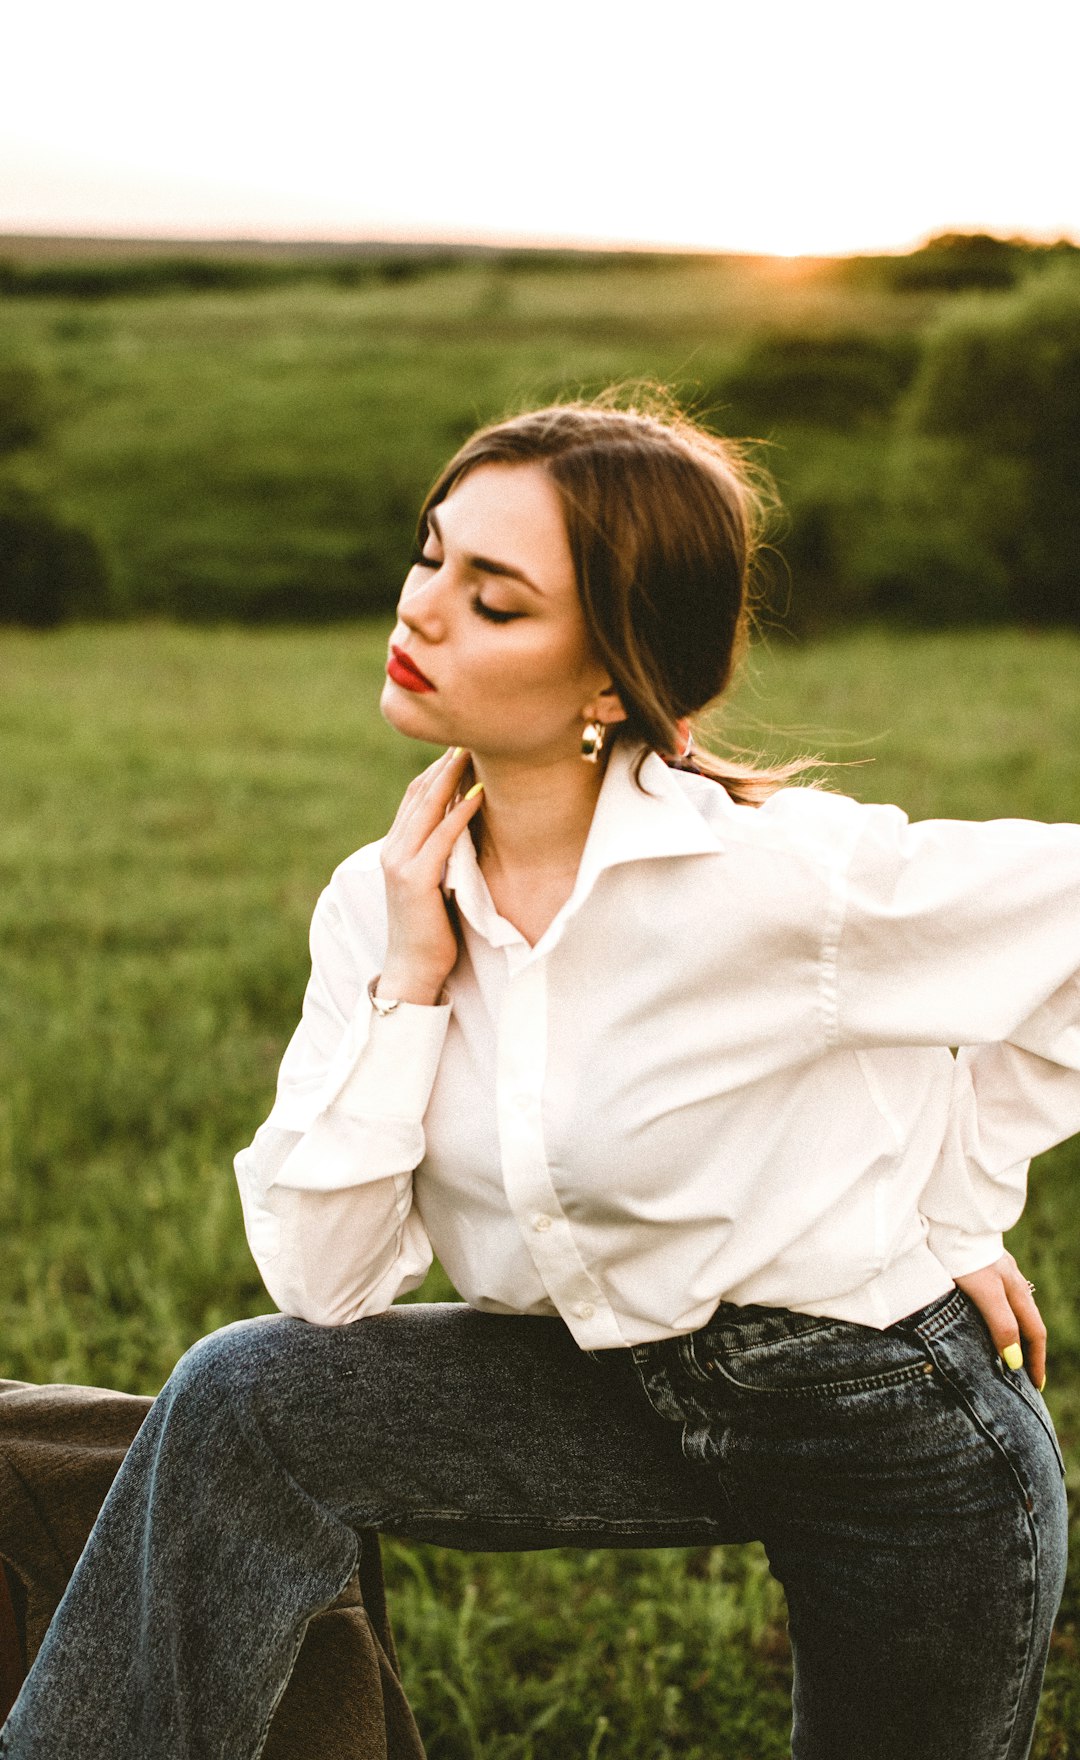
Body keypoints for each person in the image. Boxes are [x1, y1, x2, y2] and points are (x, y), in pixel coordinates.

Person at [1, 394, 1077, 1760]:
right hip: (603, 1389)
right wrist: (409, 979)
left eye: (494, 600)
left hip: (883, 1427)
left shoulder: (774, 882)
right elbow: (327, 1285)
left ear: (613, 681)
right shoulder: (380, 900)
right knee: (247, 1396)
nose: (423, 608)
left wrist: (955, 1210)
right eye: (429, 553)